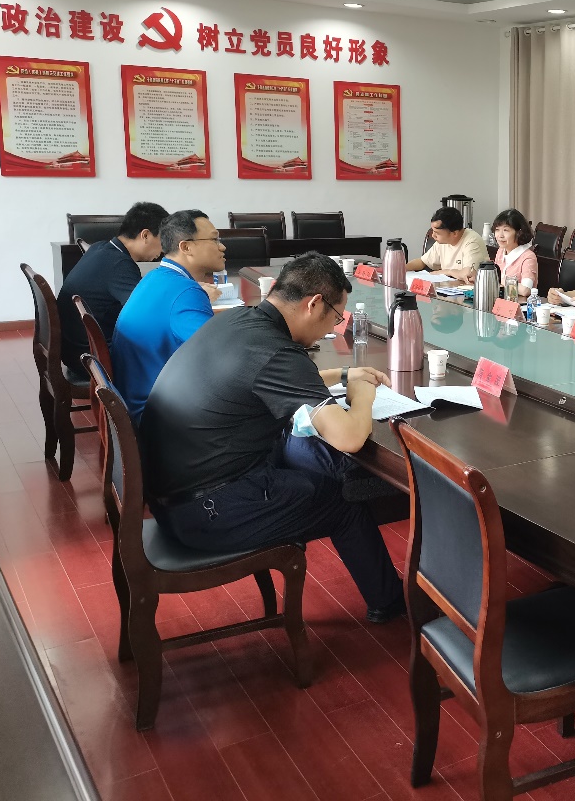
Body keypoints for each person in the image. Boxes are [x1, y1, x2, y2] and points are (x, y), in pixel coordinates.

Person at [139, 253, 406, 623]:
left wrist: (345, 374)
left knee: (303, 447)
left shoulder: (239, 320)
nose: (332, 326)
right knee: (343, 500)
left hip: (174, 495)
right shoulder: (278, 352)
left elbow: (271, 378)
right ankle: (390, 603)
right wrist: (361, 395)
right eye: (335, 316)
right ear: (314, 304)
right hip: (208, 513)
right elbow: (349, 438)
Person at [110, 210, 226, 423]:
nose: (222, 247)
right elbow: (219, 355)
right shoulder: (186, 292)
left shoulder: (155, 277)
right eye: (214, 239)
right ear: (186, 247)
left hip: (135, 404)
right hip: (157, 418)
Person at [58, 201, 168, 379]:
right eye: (162, 240)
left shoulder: (100, 248)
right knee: (171, 347)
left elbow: (141, 296)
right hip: (94, 358)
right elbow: (147, 312)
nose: (163, 250)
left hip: (77, 351)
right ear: (146, 235)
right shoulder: (119, 264)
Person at [406, 206, 489, 283]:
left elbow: (468, 275)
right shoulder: (442, 241)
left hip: (467, 290)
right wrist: (403, 268)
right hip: (449, 288)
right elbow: (423, 261)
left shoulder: (472, 242)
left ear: (454, 233)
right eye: (433, 231)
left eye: (437, 233)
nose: (433, 235)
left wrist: (447, 271)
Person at [491, 209, 539, 298]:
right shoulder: (501, 251)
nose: (500, 235)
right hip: (501, 300)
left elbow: (525, 290)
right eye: (497, 230)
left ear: (519, 233)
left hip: (520, 303)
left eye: (506, 230)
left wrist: (499, 279)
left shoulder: (528, 257)